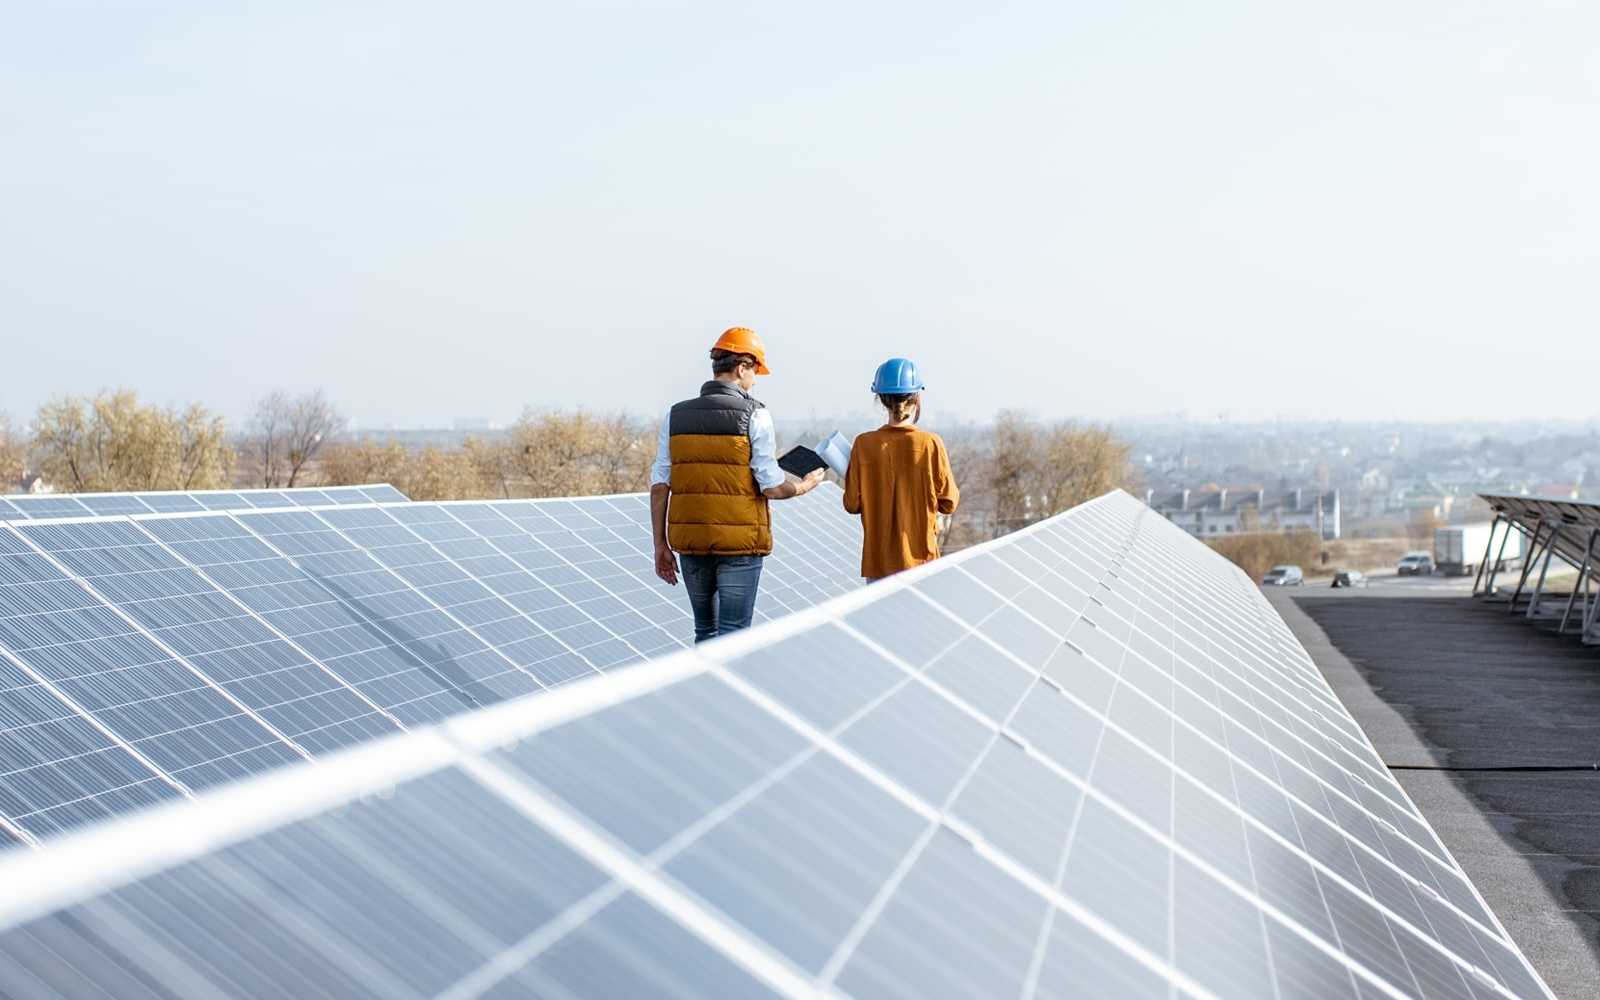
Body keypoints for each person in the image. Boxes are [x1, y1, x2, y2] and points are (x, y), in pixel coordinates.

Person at [650, 327, 826, 642]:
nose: (755, 380)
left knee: (705, 632)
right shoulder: (755, 413)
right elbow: (771, 485)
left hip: (691, 542)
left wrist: (660, 544)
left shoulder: (675, 416)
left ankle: (702, 692)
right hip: (740, 546)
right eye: (755, 371)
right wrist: (804, 485)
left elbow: (660, 483)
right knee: (734, 639)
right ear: (741, 366)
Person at [843, 357, 959, 580]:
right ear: (917, 397)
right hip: (921, 563)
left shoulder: (863, 444)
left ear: (881, 399)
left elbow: (851, 503)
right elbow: (949, 502)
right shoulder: (931, 444)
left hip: (878, 565)